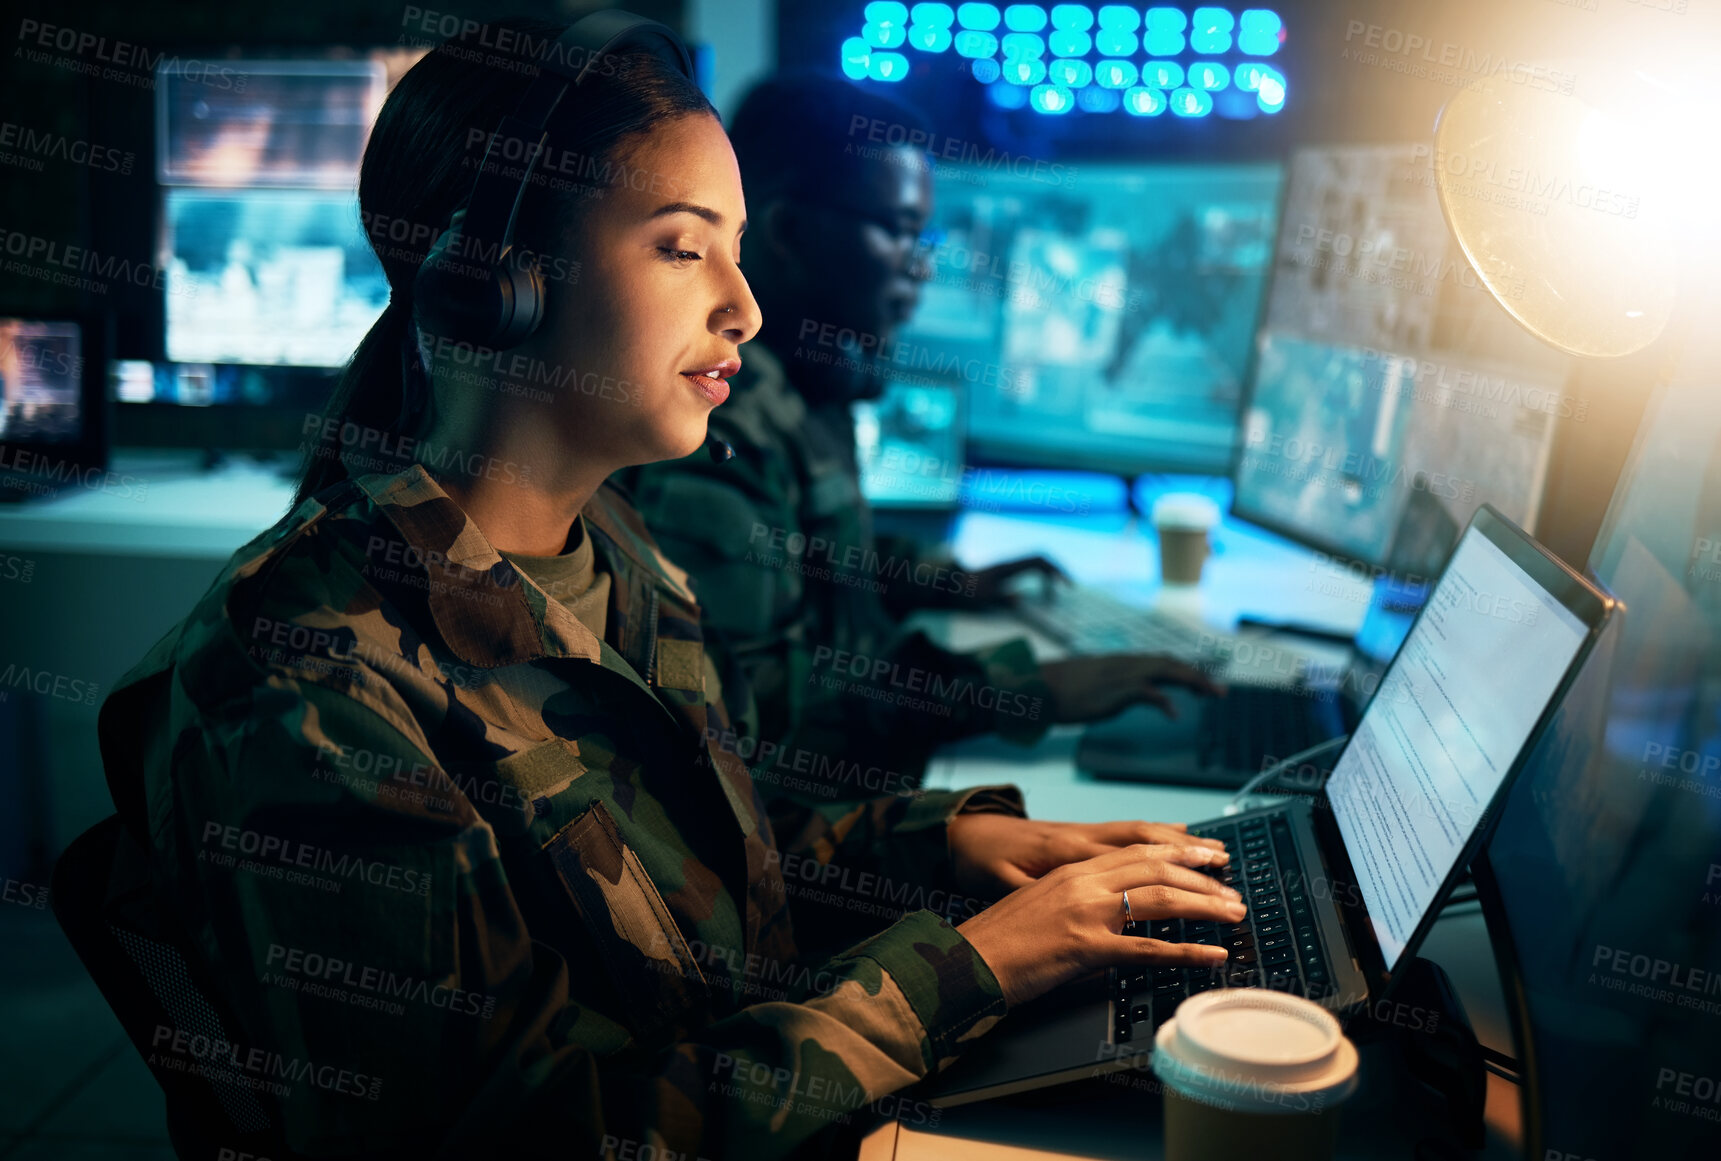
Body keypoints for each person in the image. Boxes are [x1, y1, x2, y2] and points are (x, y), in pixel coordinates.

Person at [92, 19, 1244, 1161]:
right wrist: (973, 967)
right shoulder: (306, 680)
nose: (742, 306)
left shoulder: (618, 545)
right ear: (493, 279)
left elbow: (701, 873)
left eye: (735, 248)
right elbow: (538, 1136)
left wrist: (949, 847)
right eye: (683, 247)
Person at [620, 73, 1223, 794]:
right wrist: (1021, 687)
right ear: (788, 233)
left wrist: (945, 582)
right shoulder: (715, 432)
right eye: (901, 230)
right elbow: (765, 704)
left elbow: (810, 555)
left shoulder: (807, 385)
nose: (923, 264)